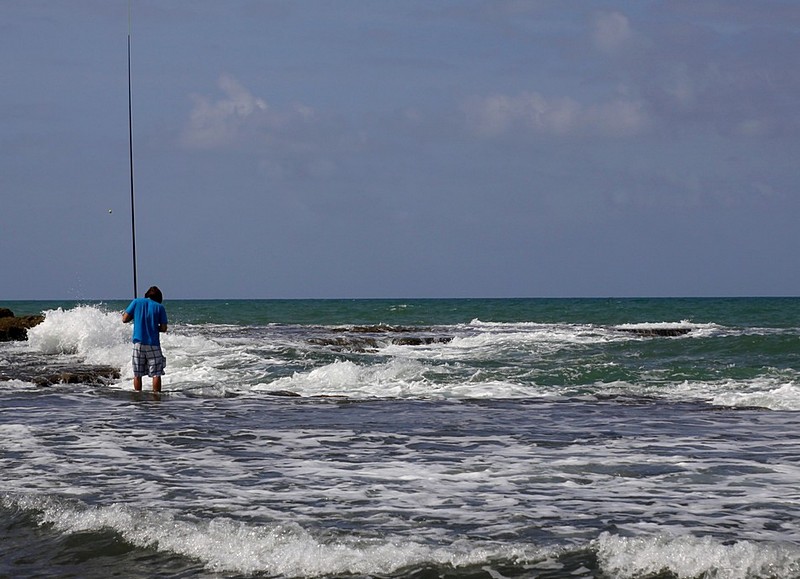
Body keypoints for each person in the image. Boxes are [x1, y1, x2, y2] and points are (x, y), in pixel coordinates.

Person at [122, 286, 168, 392]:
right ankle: (156, 398)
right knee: (156, 374)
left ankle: (138, 398)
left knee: (137, 374)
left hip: (138, 343)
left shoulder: (136, 302)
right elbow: (164, 328)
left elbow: (124, 319)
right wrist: (154, 327)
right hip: (153, 344)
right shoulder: (160, 307)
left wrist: (135, 316)